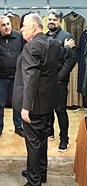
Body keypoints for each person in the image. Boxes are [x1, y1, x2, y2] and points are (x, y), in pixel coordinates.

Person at [13, 13, 59, 186]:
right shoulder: (53, 43)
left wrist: (26, 107)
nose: (21, 29)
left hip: (34, 105)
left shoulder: (31, 47)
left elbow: (31, 77)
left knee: (33, 143)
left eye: (24, 25)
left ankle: (34, 182)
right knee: (42, 140)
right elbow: (60, 63)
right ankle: (41, 173)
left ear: (33, 27)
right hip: (48, 103)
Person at [45, 10, 77, 152]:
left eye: (55, 20)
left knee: (60, 110)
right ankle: (49, 132)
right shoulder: (45, 37)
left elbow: (71, 60)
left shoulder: (67, 37)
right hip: (46, 79)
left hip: (59, 80)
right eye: (50, 19)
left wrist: (59, 78)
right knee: (47, 108)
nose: (51, 22)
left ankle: (64, 139)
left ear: (60, 21)